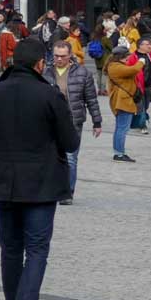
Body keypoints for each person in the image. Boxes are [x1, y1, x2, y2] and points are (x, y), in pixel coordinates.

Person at [0, 39, 79, 300]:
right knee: (37, 249)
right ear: (40, 64)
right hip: (42, 184)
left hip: (2, 181)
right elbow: (70, 142)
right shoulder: (50, 95)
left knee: (10, 249)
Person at [44, 40, 103, 205]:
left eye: (63, 56)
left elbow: (91, 99)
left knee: (70, 158)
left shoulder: (82, 73)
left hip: (73, 120)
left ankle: (67, 192)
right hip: (49, 121)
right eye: (56, 56)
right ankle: (51, 189)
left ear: (70, 55)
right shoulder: (45, 72)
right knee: (50, 157)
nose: (59, 59)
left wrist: (97, 122)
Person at [106, 38, 142, 163]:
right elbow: (134, 70)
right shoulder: (115, 67)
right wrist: (141, 62)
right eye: (126, 56)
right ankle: (119, 154)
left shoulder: (116, 65)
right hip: (122, 101)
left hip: (123, 100)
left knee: (120, 128)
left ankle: (118, 152)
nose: (128, 58)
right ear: (120, 57)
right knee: (122, 128)